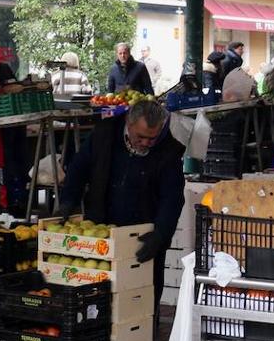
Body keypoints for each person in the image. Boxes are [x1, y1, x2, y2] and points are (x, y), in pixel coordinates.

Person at [58, 100, 184, 314]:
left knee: (140, 300)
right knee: (99, 297)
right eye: (140, 137)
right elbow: (79, 167)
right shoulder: (105, 133)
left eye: (151, 138)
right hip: (102, 227)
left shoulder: (168, 151)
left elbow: (172, 198)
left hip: (142, 235)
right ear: (129, 122)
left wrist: (161, 235)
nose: (145, 143)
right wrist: (68, 201)